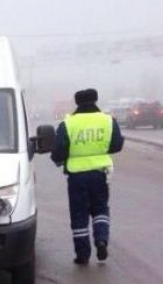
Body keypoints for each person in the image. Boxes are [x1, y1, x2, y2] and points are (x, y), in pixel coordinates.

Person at [51, 89, 123, 265]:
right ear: (95, 100)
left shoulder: (68, 123)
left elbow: (59, 150)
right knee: (100, 209)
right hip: (100, 174)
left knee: (79, 214)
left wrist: (60, 160)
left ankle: (82, 255)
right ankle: (101, 240)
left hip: (77, 176)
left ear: (77, 102)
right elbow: (116, 145)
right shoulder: (107, 120)